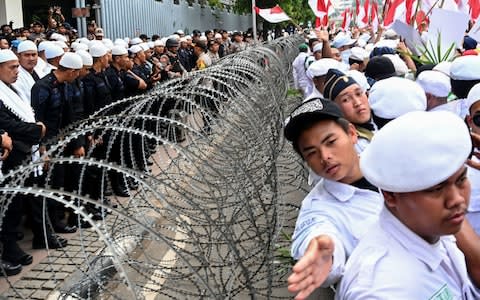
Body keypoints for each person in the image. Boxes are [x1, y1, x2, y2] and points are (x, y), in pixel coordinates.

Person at [337, 111, 480, 299]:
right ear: (390, 195)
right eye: (435, 189)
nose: (457, 199)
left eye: (461, 179)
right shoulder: (381, 290)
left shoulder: (430, 226)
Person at [284, 98, 383, 298]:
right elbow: (316, 233)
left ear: (352, 134)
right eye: (311, 152)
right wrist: (323, 254)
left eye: (330, 142)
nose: (325, 156)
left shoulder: (390, 163)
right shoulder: (317, 206)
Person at [0, 49, 47, 275]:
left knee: (14, 206)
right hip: (9, 161)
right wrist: (35, 130)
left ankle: (11, 249)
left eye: (17, 66)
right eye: (12, 67)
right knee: (7, 207)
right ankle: (7, 251)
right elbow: (9, 124)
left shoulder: (10, 89)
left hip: (19, 156)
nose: (17, 70)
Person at [13, 40, 45, 104]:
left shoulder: (40, 71)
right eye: (27, 55)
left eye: (33, 55)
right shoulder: (15, 75)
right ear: (19, 56)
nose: (31, 58)